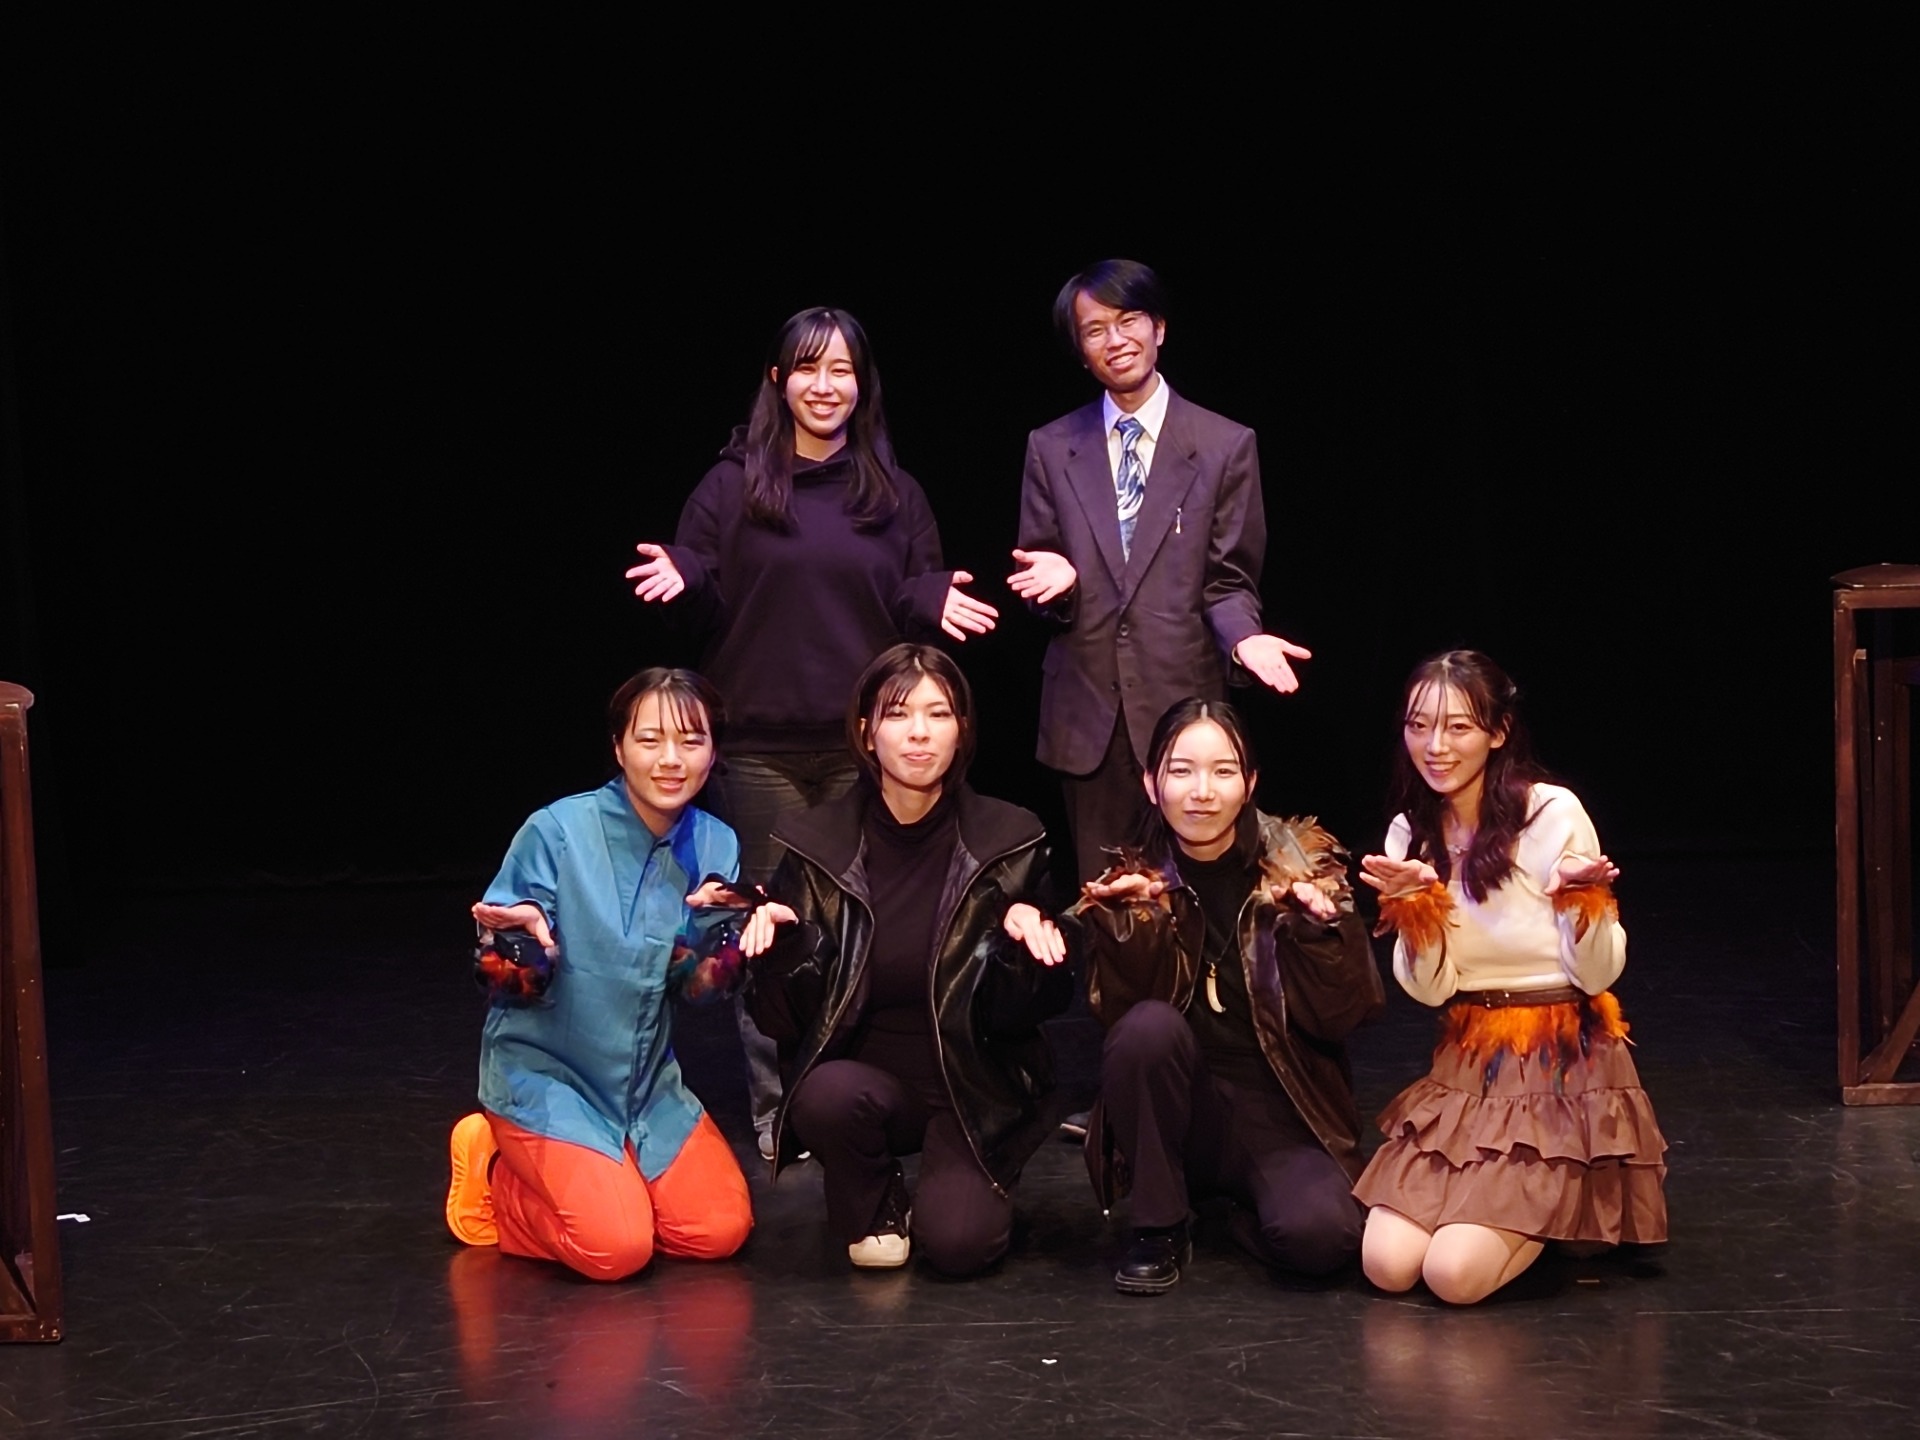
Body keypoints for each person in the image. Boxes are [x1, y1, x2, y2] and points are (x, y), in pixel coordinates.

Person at [625, 307, 997, 1161]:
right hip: (760, 749)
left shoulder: (893, 493)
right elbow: (702, 595)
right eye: (808, 368)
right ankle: (779, 1108)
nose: (825, 386)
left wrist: (930, 596)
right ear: (777, 379)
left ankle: (859, 1092)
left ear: (862, 385)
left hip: (868, 753)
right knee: (772, 930)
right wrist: (688, 578)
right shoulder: (731, 486)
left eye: (842, 371)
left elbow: (913, 601)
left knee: (867, 928)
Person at [742, 644, 1074, 1274]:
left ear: (962, 730)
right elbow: (782, 1023)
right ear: (866, 731)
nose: (919, 732)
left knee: (959, 1247)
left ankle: (965, 1183)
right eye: (898, 714)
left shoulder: (1011, 838)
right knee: (825, 1096)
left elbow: (1037, 1011)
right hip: (866, 1088)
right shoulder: (815, 845)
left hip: (973, 1088)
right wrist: (786, 951)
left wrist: (1018, 951)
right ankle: (876, 1192)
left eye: (938, 713)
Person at [1354, 650, 1668, 1305]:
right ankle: (1521, 1212)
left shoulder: (1551, 812)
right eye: (1419, 726)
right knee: (1386, 1264)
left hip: (1558, 1062)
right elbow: (1432, 990)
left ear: (1498, 732)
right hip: (1470, 1059)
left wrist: (1583, 902)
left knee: (1453, 1276)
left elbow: (1598, 972)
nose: (1436, 747)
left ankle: (1553, 1204)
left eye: (1458, 727)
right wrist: (1417, 908)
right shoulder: (1410, 832)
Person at [444, 668, 756, 1282]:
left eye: (691, 741)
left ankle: (611, 1178)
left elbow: (695, 991)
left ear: (713, 751)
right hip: (549, 1078)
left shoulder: (716, 844)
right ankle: (496, 1175)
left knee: (718, 1231)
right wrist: (514, 946)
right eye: (650, 740)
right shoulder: (557, 831)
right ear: (618, 747)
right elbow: (509, 984)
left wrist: (726, 940)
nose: (671, 760)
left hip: (645, 1086)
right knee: (616, 1249)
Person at [1009, 259, 1312, 887]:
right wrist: (1057, 587)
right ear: (1081, 349)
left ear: (1160, 328)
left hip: (1185, 709)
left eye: (1129, 321)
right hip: (1089, 714)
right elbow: (1039, 574)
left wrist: (1244, 637)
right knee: (1106, 904)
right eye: (1095, 330)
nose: (1115, 340)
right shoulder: (1051, 446)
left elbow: (1229, 581)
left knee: (1195, 898)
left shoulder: (1224, 444)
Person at [1069, 697, 1383, 1293]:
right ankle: (1159, 1225)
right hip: (1178, 1110)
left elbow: (1346, 1016)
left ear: (1250, 783)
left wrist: (1319, 935)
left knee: (1325, 1239)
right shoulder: (1131, 877)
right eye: (1181, 771)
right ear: (1151, 783)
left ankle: (1226, 1215)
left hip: (1276, 1105)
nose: (1202, 792)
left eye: (1222, 771)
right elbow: (1119, 1028)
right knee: (1148, 1028)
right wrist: (1134, 926)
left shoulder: (1302, 868)